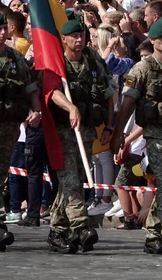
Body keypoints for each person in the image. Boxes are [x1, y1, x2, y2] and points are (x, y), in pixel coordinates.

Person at [111, 16, 162, 255]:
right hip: (155, 133)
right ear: (153, 41)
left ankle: (154, 234)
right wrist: (118, 135)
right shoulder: (142, 68)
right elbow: (127, 105)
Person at [45, 19, 114, 254]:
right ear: (63, 39)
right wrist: (70, 107)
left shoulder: (94, 61)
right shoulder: (58, 61)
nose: (79, 39)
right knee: (70, 180)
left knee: (72, 182)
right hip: (63, 130)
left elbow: (108, 95)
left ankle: (57, 230)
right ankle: (80, 225)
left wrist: (109, 127)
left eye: (82, 35)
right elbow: (51, 90)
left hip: (86, 131)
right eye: (73, 36)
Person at [0, 12, 42, 250]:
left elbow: (30, 88)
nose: (3, 33)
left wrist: (36, 111)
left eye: (5, 29)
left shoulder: (16, 58)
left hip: (10, 126)